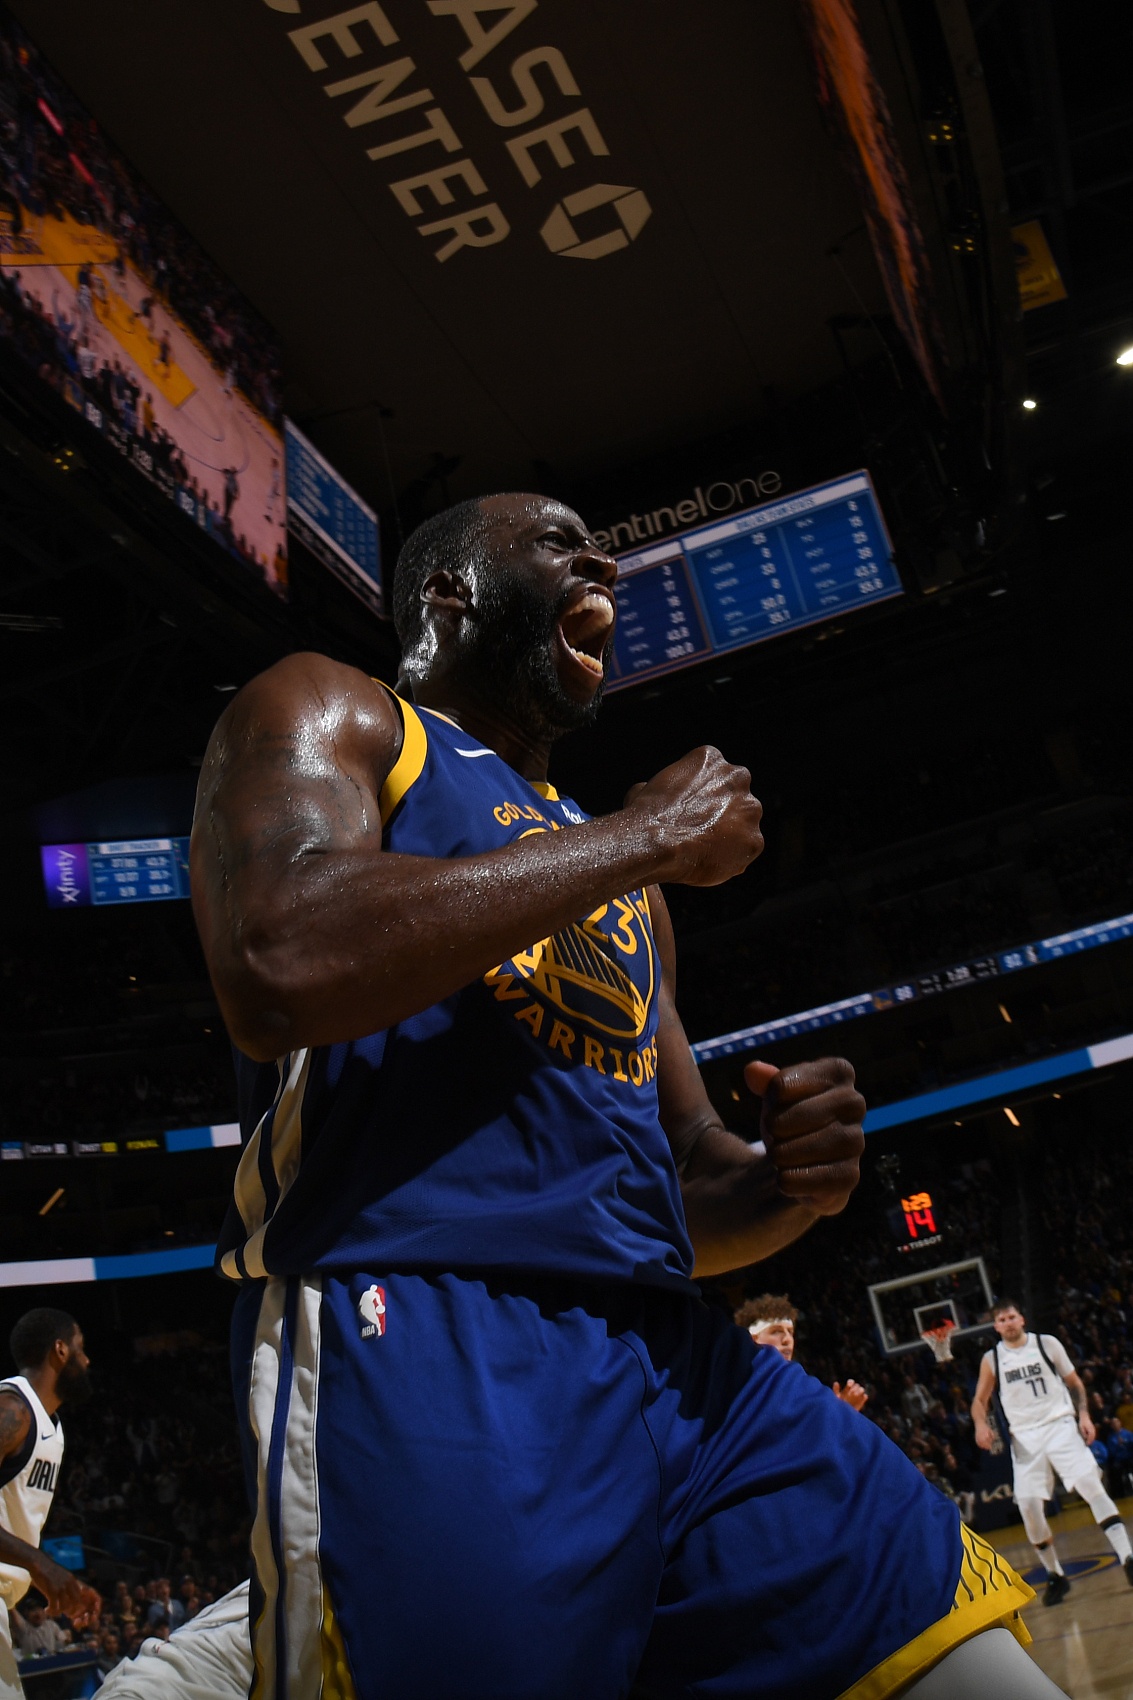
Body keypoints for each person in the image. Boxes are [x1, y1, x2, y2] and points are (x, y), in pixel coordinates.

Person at [191, 493, 1053, 1699]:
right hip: (429, 1331)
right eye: (555, 540)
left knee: (964, 1649)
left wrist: (784, 1176)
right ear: (449, 592)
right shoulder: (338, 711)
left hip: (677, 1364)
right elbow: (278, 955)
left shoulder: (616, 870)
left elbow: (685, 1173)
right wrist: (643, 838)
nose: (600, 556)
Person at [971, 1297, 1133, 1604]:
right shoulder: (992, 1359)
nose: (1008, 1323)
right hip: (1024, 1438)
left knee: (1090, 1485)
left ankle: (1128, 1557)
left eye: (1012, 1317)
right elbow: (979, 1401)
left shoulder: (1046, 1344)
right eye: (1002, 1320)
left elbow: (1075, 1383)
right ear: (996, 1326)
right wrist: (980, 1424)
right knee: (1029, 1507)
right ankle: (1055, 1575)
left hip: (1060, 1425)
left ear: (1022, 1319)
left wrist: (1084, 1415)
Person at [0, 1309, 100, 1700]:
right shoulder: (12, 1410)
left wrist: (46, 1575)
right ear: (60, 1350)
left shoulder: (47, 1426)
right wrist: (41, 1564)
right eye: (81, 1348)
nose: (86, 1360)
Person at [735, 1292, 868, 1409]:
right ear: (753, 1339)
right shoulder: (740, 1390)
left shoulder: (797, 1388)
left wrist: (842, 1413)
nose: (787, 1339)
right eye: (776, 1332)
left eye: (790, 1332)